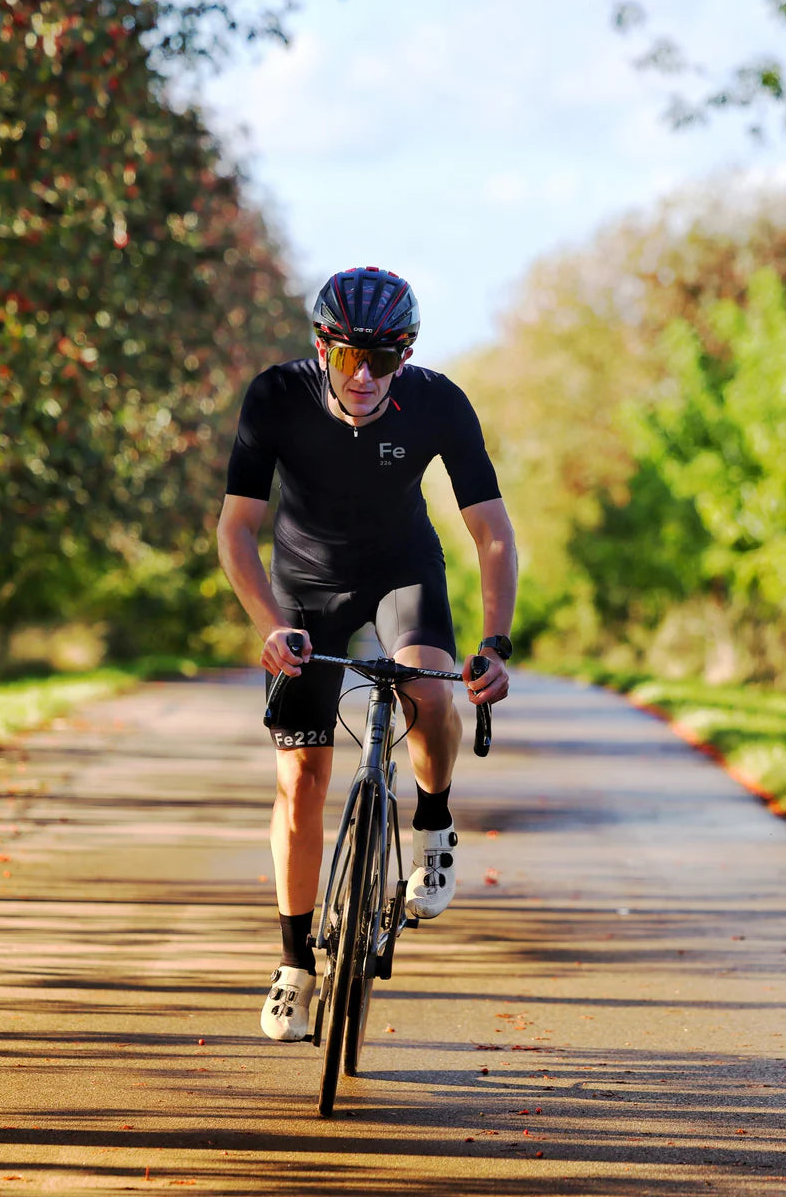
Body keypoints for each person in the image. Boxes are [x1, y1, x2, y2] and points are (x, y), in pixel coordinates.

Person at [216, 266, 517, 1042]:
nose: (363, 377)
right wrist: (269, 625)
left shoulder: (440, 403)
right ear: (322, 347)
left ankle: (437, 822)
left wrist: (494, 643)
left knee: (429, 692)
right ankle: (293, 967)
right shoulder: (275, 398)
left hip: (401, 573)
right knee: (302, 778)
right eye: (348, 357)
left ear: (406, 356)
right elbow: (236, 530)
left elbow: (491, 534)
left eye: (383, 360)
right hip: (303, 589)